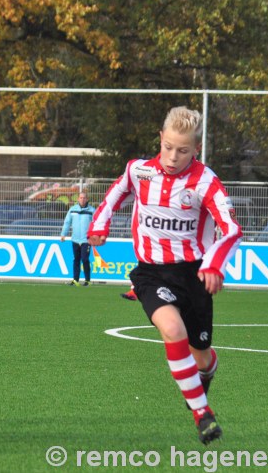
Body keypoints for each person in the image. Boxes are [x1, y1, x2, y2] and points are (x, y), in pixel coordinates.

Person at [88, 106, 242, 444]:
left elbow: (231, 229)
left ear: (196, 149)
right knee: (172, 330)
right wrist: (100, 221)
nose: (173, 157)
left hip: (193, 275)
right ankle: (203, 415)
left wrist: (215, 264)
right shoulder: (139, 171)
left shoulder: (206, 182)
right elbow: (116, 192)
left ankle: (204, 373)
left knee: (201, 356)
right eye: (168, 146)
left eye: (183, 150)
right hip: (151, 273)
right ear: (160, 138)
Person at [60, 191, 95, 286]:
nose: (82, 199)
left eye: (84, 198)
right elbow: (67, 222)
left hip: (86, 240)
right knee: (76, 259)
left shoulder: (92, 210)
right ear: (78, 199)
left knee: (85, 259)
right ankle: (75, 280)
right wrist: (63, 234)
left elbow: (96, 224)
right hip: (75, 239)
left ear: (87, 199)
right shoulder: (72, 209)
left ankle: (87, 280)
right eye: (81, 198)